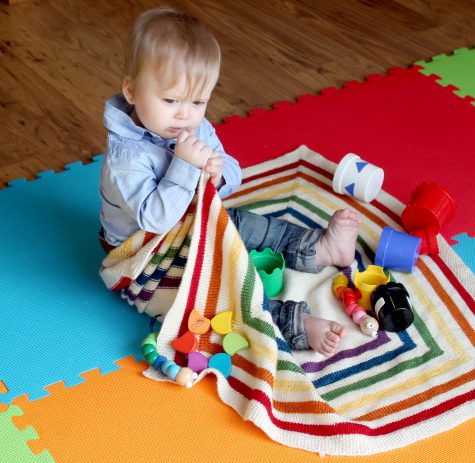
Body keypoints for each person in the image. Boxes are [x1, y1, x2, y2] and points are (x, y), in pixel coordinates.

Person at [99, 7, 362, 357]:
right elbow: (154, 219)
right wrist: (182, 165)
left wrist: (218, 173)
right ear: (131, 91)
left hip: (190, 224)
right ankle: (289, 321)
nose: (184, 114)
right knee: (213, 285)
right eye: (170, 100)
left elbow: (233, 176)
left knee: (240, 222)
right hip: (145, 254)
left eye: (198, 101)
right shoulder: (127, 159)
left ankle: (316, 248)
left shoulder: (192, 126)